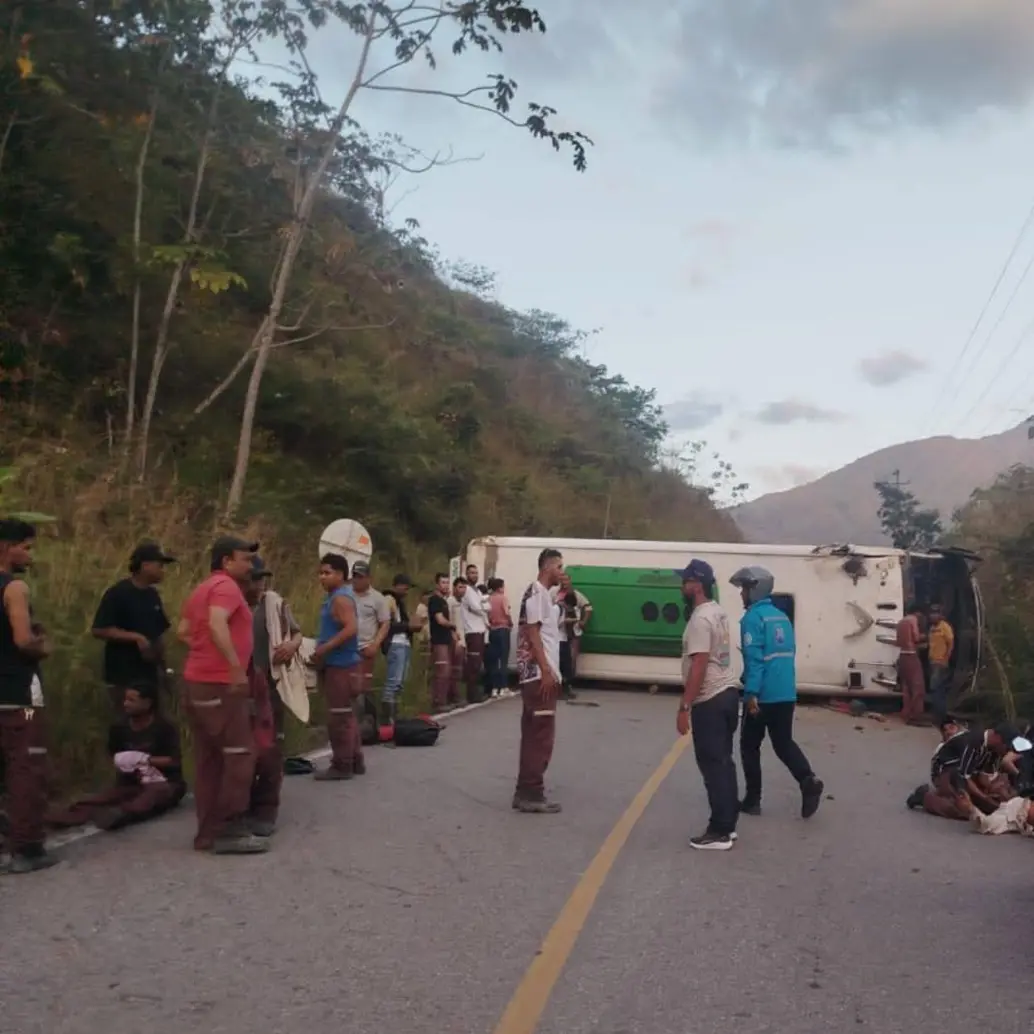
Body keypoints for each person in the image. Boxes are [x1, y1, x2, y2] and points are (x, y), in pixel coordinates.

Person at [179, 534, 267, 854]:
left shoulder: (202, 588)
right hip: (219, 685)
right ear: (226, 561)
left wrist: (204, 656)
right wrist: (231, 666)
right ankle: (231, 829)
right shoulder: (227, 587)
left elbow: (184, 632)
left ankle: (207, 833)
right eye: (244, 558)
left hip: (197, 682)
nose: (250, 564)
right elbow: (217, 624)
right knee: (241, 753)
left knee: (210, 760)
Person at [731, 565, 824, 820]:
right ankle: (808, 780)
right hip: (786, 693)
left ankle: (752, 800)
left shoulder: (752, 619)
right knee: (783, 743)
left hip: (763, 695)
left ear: (755, 590)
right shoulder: (781, 617)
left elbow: (755, 659)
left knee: (749, 745)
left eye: (744, 589)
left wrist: (750, 693)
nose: (742, 595)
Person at [0, 518, 58, 874]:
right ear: (5, 547)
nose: (29, 555)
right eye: (26, 546)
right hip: (18, 692)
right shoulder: (14, 587)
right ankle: (27, 848)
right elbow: (23, 641)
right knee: (26, 768)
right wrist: (43, 645)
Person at [50, 685, 185, 831]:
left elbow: (174, 761)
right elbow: (111, 756)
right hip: (129, 783)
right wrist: (122, 763)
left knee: (152, 797)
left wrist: (144, 760)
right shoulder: (119, 728)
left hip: (164, 782)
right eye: (125, 699)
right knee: (101, 799)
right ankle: (59, 819)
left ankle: (121, 814)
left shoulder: (164, 727)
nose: (126, 704)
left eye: (132, 700)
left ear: (147, 703)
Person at [674, 558, 740, 851]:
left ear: (696, 585)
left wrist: (685, 706)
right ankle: (729, 823)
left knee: (713, 764)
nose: (682, 586)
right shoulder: (718, 612)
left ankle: (720, 831)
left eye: (685, 581)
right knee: (724, 761)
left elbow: (699, 664)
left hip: (710, 698)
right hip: (727, 693)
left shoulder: (700, 619)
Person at [246, 555, 302, 835]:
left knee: (271, 748)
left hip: (270, 684)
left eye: (262, 578)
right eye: (254, 578)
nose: (259, 584)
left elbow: (297, 633)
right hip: (240, 686)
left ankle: (266, 809)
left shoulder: (274, 603)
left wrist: (291, 646)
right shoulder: (231, 604)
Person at [91, 542, 176, 715]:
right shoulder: (119, 593)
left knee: (154, 722)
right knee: (127, 722)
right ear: (145, 566)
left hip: (149, 674)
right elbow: (99, 629)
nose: (163, 571)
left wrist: (164, 668)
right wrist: (135, 637)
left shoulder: (152, 595)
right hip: (124, 674)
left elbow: (158, 634)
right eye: (159, 566)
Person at [513, 548, 565, 813]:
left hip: (539, 672)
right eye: (559, 567)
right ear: (547, 567)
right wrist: (545, 669)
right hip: (537, 673)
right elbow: (531, 630)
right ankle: (532, 792)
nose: (562, 572)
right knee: (541, 734)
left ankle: (525, 789)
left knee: (534, 732)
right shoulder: (535, 591)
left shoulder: (546, 596)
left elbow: (548, 624)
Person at [312, 554, 362, 780]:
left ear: (341, 575)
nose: (322, 577)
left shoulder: (340, 599)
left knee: (338, 716)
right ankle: (355, 759)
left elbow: (351, 628)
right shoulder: (336, 597)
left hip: (341, 666)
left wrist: (326, 648)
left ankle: (342, 765)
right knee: (347, 714)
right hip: (342, 665)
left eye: (327, 573)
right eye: (321, 573)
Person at [910, 722, 1020, 820]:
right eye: (1006, 745)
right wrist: (984, 798)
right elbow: (964, 777)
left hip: (968, 774)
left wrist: (995, 793)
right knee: (964, 810)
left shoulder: (996, 751)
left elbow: (984, 777)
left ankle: (964, 798)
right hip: (946, 772)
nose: (1007, 749)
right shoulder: (973, 741)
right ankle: (925, 797)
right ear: (997, 737)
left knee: (990, 807)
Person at [349, 561, 390, 710]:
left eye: (360, 577)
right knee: (349, 685)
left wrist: (375, 644)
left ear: (368, 578)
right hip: (347, 646)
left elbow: (385, 623)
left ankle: (365, 718)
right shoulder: (345, 594)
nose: (357, 580)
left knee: (363, 686)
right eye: (355, 576)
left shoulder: (377, 598)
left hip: (366, 646)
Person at [382, 573, 421, 725]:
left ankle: (394, 715)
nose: (406, 591)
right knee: (393, 681)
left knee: (400, 682)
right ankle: (388, 719)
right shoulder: (388, 599)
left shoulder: (400, 603)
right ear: (397, 585)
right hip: (395, 643)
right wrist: (408, 626)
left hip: (404, 643)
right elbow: (385, 624)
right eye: (405, 587)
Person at [427, 573, 460, 710]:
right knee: (442, 671)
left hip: (446, 639)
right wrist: (452, 626)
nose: (445, 585)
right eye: (443, 582)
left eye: (447, 582)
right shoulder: (435, 600)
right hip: (439, 640)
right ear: (437, 584)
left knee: (448, 671)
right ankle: (438, 701)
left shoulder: (444, 601)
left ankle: (445, 699)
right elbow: (439, 620)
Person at [459, 569, 489, 704]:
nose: (474, 575)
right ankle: (471, 694)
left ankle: (475, 692)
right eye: (471, 573)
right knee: (473, 663)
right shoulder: (468, 591)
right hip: (472, 630)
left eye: (476, 573)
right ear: (467, 575)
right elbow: (477, 607)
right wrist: (483, 606)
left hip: (480, 629)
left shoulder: (477, 591)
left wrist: (483, 606)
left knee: (478, 664)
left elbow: (488, 606)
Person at [896, 602, 927, 725]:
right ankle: (916, 716)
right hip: (911, 655)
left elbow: (899, 642)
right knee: (918, 687)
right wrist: (924, 637)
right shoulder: (912, 620)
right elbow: (916, 637)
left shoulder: (901, 622)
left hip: (902, 655)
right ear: (917, 612)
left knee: (906, 687)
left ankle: (906, 713)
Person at [926, 604, 954, 725]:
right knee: (936, 689)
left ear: (941, 615)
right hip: (932, 661)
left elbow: (951, 644)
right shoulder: (932, 628)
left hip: (940, 663)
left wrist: (945, 659)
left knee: (937, 689)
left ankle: (939, 717)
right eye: (931, 613)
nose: (933, 615)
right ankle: (937, 715)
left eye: (936, 613)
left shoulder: (945, 627)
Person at [485, 577, 513, 697]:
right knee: (504, 659)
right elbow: (506, 612)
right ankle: (504, 687)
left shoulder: (489, 599)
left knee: (494, 660)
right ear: (500, 587)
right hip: (503, 629)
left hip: (492, 630)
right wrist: (510, 622)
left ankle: (495, 688)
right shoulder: (503, 598)